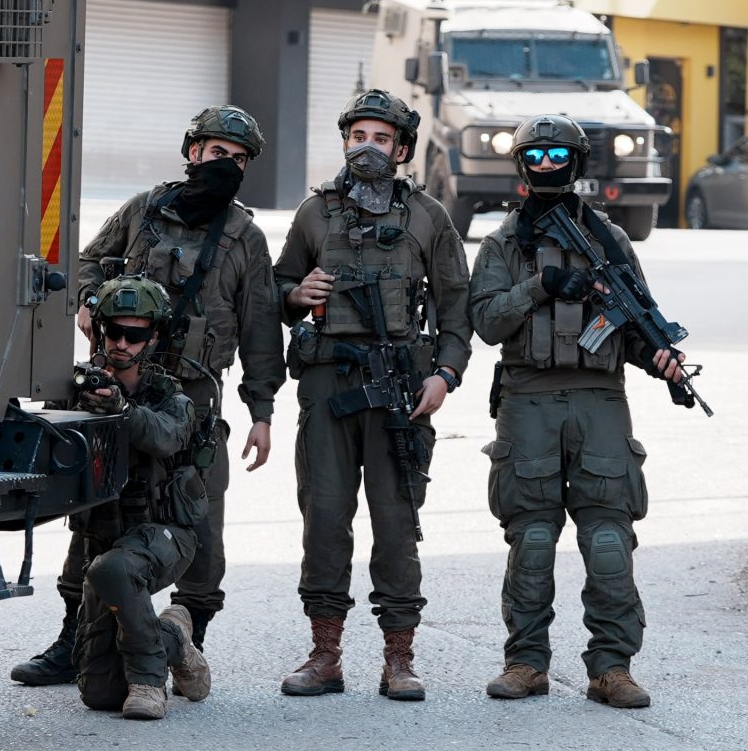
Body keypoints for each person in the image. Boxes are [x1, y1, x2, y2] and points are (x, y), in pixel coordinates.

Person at [10, 105, 285, 687]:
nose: (226, 165)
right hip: (117, 387)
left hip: (192, 398)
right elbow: (86, 261)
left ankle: (186, 642)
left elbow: (261, 328)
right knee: (95, 514)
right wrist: (88, 301)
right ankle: (74, 639)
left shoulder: (246, 237)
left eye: (239, 160)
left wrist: (261, 412)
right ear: (193, 152)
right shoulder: (144, 211)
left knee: (196, 515)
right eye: (217, 153)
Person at [469, 113, 686, 709]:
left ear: (578, 161)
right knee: (533, 538)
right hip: (528, 400)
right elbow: (486, 321)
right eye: (536, 156)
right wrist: (542, 284)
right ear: (521, 164)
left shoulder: (610, 241)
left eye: (558, 155)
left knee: (610, 539)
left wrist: (660, 360)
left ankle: (612, 667)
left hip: (600, 401)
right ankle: (525, 663)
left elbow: (636, 322)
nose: (547, 165)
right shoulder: (503, 243)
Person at [273, 89, 473, 701]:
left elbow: (457, 308)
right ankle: (325, 656)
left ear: (402, 150)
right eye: (358, 136)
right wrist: (295, 295)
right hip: (329, 383)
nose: (368, 148)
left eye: (381, 139)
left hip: (400, 389)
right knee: (324, 519)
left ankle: (399, 659)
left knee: (396, 522)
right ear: (344, 142)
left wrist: (445, 374)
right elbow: (278, 287)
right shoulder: (314, 213)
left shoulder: (429, 217)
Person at [60, 274, 210, 720]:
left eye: (135, 335)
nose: (122, 343)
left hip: (164, 534)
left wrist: (121, 409)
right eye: (113, 332)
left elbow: (165, 436)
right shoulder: (79, 388)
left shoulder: (171, 397)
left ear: (154, 338)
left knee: (114, 568)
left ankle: (148, 683)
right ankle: (173, 639)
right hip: (103, 542)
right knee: (99, 694)